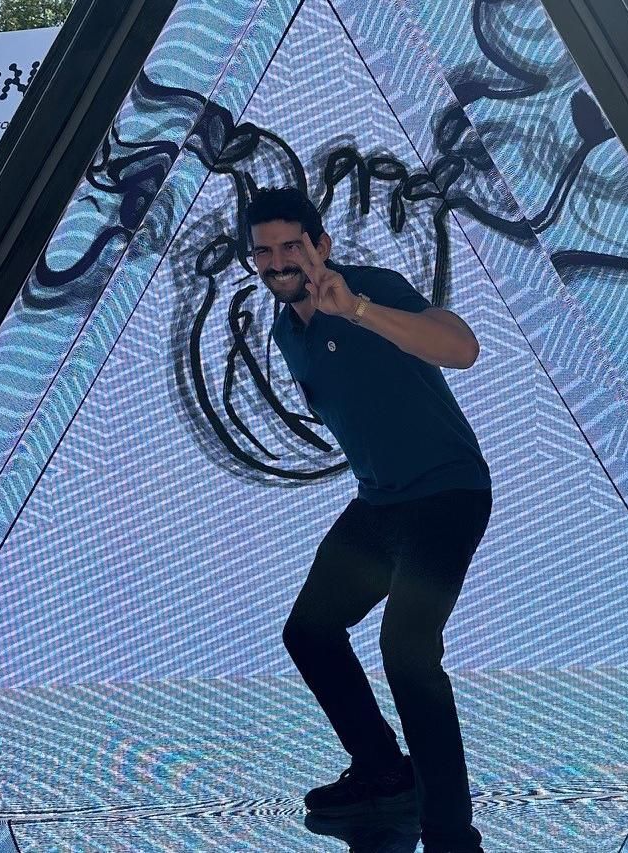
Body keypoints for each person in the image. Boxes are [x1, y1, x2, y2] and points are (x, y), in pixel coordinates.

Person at [248, 186, 493, 853]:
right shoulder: (283, 330)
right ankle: (386, 773)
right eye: (264, 251)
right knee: (311, 631)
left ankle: (449, 834)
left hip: (448, 494)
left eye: (291, 245)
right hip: (380, 504)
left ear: (320, 246)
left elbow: (461, 348)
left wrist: (357, 309)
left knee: (408, 651)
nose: (278, 261)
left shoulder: (369, 289)